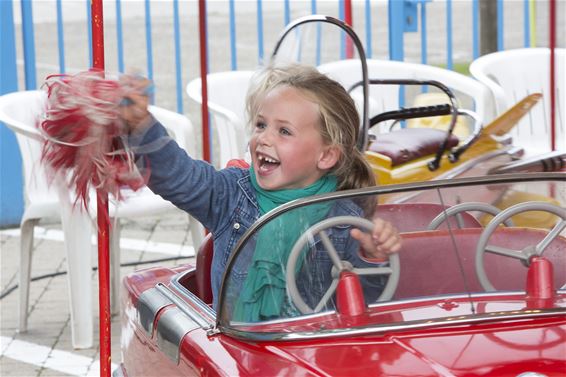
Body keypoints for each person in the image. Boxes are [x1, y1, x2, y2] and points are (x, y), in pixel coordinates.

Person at [121, 63, 402, 318]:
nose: (263, 138)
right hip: (237, 354)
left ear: (326, 156)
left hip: (309, 358)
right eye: (261, 125)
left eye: (284, 132)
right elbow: (180, 177)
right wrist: (142, 127)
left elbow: (366, 308)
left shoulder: (344, 220)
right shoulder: (230, 194)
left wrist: (374, 257)